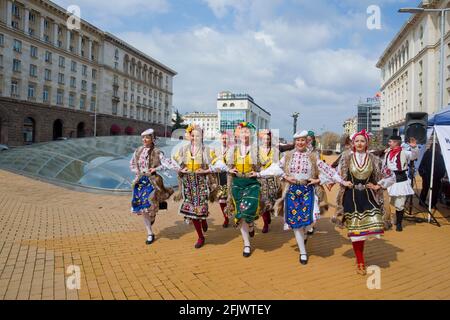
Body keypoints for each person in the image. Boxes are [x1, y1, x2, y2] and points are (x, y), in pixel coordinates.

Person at [274, 130, 342, 265]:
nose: (300, 142)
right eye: (297, 140)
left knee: (311, 219)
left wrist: (322, 180)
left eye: (302, 140)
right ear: (295, 142)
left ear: (307, 142)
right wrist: (285, 176)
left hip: (308, 190)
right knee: (296, 223)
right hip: (292, 190)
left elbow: (328, 170)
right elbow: (276, 168)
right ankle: (303, 252)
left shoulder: (312, 156)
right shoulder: (287, 156)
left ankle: (305, 232)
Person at [335, 129, 395, 275]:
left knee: (369, 225)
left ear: (366, 143)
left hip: (368, 196)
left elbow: (390, 175)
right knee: (356, 232)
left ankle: (360, 258)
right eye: (357, 141)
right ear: (353, 143)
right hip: (351, 196)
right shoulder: (346, 158)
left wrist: (378, 185)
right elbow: (335, 174)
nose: (360, 143)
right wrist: (344, 182)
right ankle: (360, 261)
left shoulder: (374, 159)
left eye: (362, 141)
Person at [225, 122, 277, 257]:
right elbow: (223, 164)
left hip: (252, 183)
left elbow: (266, 165)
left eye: (247, 132)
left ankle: (251, 224)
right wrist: (229, 169)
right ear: (239, 134)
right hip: (237, 183)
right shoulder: (233, 150)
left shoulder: (257, 150)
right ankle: (247, 244)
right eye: (242, 132)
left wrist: (259, 173)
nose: (245, 134)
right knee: (240, 214)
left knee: (248, 210)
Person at [172, 124, 219, 248]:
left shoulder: (207, 150)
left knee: (200, 208)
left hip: (202, 183)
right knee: (192, 210)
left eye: (197, 135)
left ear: (202, 136)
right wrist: (182, 168)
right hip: (188, 183)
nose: (195, 137)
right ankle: (200, 236)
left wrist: (206, 170)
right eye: (193, 135)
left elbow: (217, 163)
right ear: (190, 136)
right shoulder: (183, 149)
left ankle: (203, 219)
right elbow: (174, 160)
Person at [130, 128, 177, 245]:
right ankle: (150, 233)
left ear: (152, 139)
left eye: (147, 137)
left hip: (152, 181)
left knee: (150, 204)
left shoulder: (157, 152)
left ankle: (153, 214)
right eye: (143, 137)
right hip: (140, 182)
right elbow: (132, 164)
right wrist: (138, 172)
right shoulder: (138, 151)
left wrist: (155, 169)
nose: (144, 140)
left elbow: (165, 163)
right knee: (142, 207)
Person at [383, 135, 419, 231]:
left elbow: (414, 156)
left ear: (396, 142)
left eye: (390, 142)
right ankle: (385, 220)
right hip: (388, 179)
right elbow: (384, 165)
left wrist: (414, 147)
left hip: (400, 180)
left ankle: (399, 223)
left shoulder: (405, 153)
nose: (389, 143)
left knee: (399, 204)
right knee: (385, 201)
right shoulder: (387, 153)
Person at [258, 129, 282, 233]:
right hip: (261, 178)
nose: (266, 140)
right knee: (263, 200)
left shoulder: (275, 151)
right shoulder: (257, 151)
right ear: (261, 139)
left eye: (268, 139)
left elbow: (279, 165)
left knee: (271, 199)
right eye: (264, 139)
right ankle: (265, 223)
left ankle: (269, 214)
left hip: (273, 179)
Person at [419, 142, 446, 209]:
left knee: (434, 191)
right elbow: (422, 164)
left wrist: (441, 175)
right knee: (426, 189)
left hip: (436, 176)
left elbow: (442, 167)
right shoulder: (428, 153)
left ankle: (432, 203)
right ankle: (422, 202)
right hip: (427, 175)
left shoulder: (439, 156)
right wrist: (422, 173)